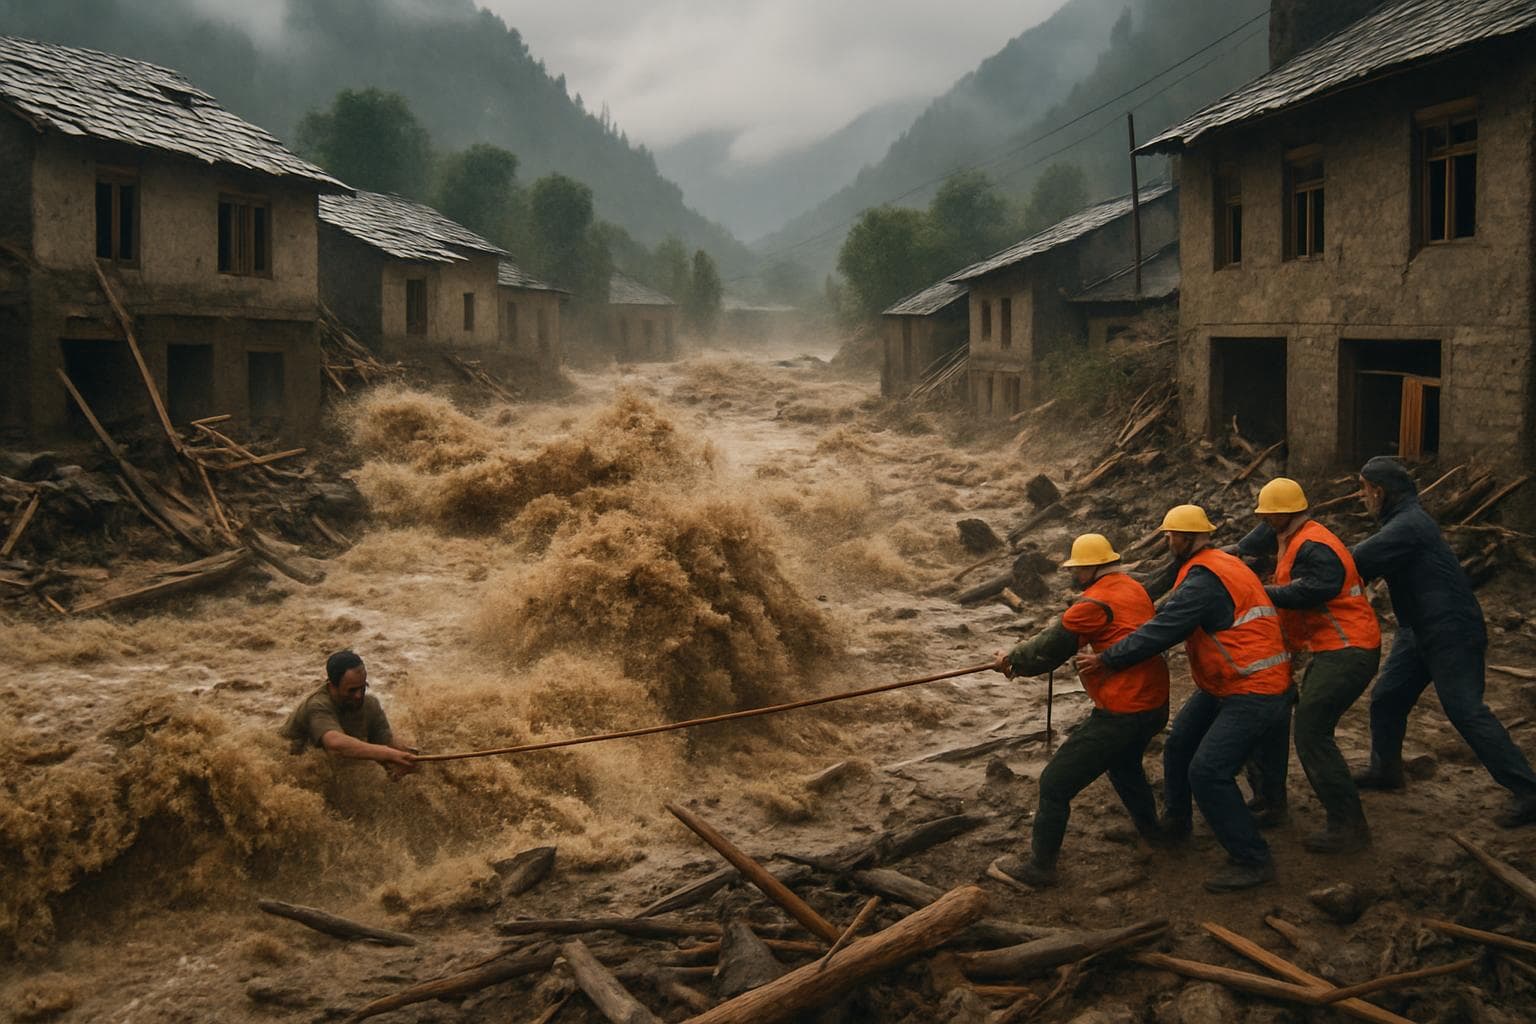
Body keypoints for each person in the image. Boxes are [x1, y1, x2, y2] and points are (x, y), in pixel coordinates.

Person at [1076, 504, 1291, 892]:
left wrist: (1107, 658)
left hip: (1254, 686)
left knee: (1207, 771)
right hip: (1231, 681)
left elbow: (1164, 629)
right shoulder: (1216, 562)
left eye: (1170, 536)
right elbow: (1156, 590)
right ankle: (1177, 822)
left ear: (1186, 538)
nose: (1166, 541)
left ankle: (1252, 859)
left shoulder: (1203, 580)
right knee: (1179, 745)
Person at [1350, 456, 1536, 828]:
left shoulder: (1408, 526)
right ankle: (1386, 770)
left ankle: (1529, 791)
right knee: (1387, 699)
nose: (1361, 497)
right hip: (1418, 630)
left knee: (1466, 710)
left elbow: (1354, 561)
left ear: (1379, 492)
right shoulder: (1403, 520)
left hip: (1451, 631)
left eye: (1364, 489)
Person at [984, 533, 1171, 889]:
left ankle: (1041, 868)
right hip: (1154, 704)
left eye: (1077, 569)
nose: (1073, 574)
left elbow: (1051, 647)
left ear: (1090, 568)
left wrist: (1010, 661)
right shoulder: (1133, 588)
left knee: (1055, 783)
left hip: (1122, 711)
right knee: (1125, 765)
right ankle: (1153, 834)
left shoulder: (1094, 603)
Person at [1238, 478, 1382, 852]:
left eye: (1269, 515)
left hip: (1348, 648)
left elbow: (1320, 587)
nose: (1264, 522)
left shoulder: (1314, 544)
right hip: (1332, 647)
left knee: (1312, 733)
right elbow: (1249, 545)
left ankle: (1350, 827)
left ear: (1285, 513)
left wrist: (1260, 593)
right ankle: (1276, 803)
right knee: (1304, 728)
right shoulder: (1291, 533)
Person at [281, 650, 419, 777]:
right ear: (332, 686)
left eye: (362, 688)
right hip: (291, 771)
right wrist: (387, 754)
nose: (359, 696)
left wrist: (406, 758)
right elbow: (336, 744)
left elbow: (387, 743)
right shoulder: (317, 705)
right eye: (352, 690)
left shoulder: (370, 705)